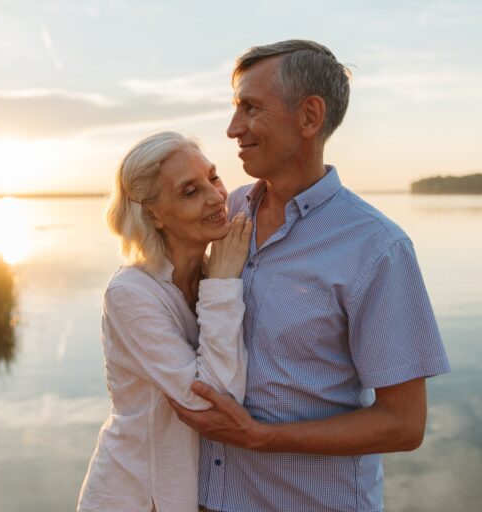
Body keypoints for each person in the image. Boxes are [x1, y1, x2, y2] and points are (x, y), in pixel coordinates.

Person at [168, 40, 451, 511]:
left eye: (251, 109)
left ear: (309, 117)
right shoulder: (225, 211)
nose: (233, 128)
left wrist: (262, 437)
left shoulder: (376, 247)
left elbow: (404, 425)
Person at [76, 131, 252, 512]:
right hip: (135, 495)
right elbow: (211, 403)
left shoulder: (210, 274)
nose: (216, 196)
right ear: (152, 213)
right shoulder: (131, 293)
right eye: (190, 191)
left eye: (213, 177)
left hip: (194, 495)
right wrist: (223, 283)